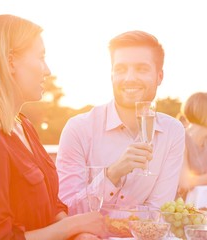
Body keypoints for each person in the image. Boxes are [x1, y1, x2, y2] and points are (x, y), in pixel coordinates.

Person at [0, 15, 105, 240]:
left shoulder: (24, 126)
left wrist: (79, 234)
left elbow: (50, 206)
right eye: (41, 57)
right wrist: (70, 228)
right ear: (11, 62)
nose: (47, 70)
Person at [56, 30, 185, 214]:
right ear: (111, 75)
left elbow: (158, 214)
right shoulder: (78, 129)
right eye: (121, 69)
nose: (130, 78)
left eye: (142, 69)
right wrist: (112, 174)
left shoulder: (173, 132)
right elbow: (67, 210)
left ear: (159, 77)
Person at [178, 92, 207, 199]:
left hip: (206, 203)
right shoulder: (180, 139)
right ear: (205, 113)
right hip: (182, 208)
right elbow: (185, 182)